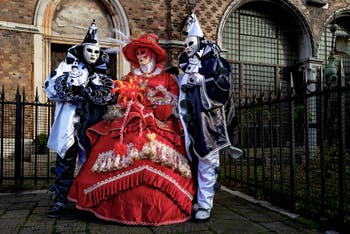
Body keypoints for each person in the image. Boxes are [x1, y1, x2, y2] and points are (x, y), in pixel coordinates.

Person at [68, 33, 196, 226]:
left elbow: (174, 100)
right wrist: (128, 99)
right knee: (110, 148)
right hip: (130, 118)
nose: (140, 56)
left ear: (152, 53)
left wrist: (161, 103)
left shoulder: (167, 78)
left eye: (143, 52)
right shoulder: (130, 76)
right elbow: (121, 98)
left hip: (159, 122)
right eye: (137, 53)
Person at [44, 20, 114, 218]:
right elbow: (50, 89)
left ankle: (87, 202)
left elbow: (107, 97)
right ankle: (59, 200)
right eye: (90, 50)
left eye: (96, 52)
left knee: (90, 163)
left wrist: (94, 89)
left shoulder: (101, 75)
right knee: (65, 162)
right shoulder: (67, 68)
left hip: (91, 125)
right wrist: (70, 84)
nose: (93, 55)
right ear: (82, 50)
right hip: (70, 125)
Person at [177, 13, 242, 222]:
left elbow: (223, 88)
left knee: (207, 161)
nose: (187, 47)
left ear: (200, 42)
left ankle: (205, 204)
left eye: (190, 43)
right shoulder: (186, 67)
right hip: (188, 123)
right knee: (192, 162)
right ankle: (195, 199)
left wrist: (202, 81)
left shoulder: (215, 63)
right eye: (185, 44)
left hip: (208, 123)